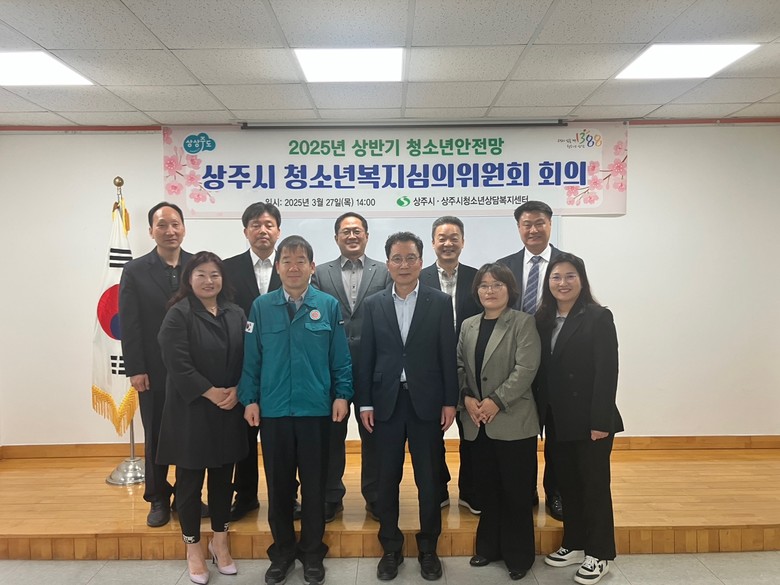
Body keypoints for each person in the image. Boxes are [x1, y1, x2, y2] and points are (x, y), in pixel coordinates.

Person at [239, 235, 353, 585]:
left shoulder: (328, 306)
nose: (293, 267)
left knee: (315, 488)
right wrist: (250, 399)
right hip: (274, 412)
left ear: (312, 267)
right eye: (286, 260)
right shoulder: (261, 306)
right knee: (279, 488)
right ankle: (283, 552)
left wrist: (342, 395)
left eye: (300, 260)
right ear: (277, 267)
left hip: (316, 411)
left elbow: (341, 358)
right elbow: (251, 359)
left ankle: (312, 553)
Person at [357, 232, 457, 582]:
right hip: (385, 402)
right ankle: (391, 548)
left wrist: (449, 401)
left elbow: (447, 354)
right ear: (388, 263)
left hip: (426, 402)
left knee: (429, 481)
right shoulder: (374, 304)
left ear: (420, 261)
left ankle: (428, 548)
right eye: (397, 259)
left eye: (410, 258)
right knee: (387, 480)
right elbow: (366, 356)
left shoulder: (439, 302)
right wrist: (365, 402)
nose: (404, 265)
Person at [157, 252, 247, 584]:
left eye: (215, 275)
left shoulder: (235, 313)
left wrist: (238, 389)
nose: (209, 281)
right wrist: (209, 392)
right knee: (190, 481)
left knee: (223, 478)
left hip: (228, 408)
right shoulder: (178, 314)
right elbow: (176, 362)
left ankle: (220, 542)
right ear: (189, 279)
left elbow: (248, 356)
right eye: (201, 275)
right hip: (192, 410)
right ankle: (193, 547)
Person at [535, 253, 623, 585]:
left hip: (590, 422)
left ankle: (600, 553)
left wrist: (601, 421)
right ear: (548, 282)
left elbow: (607, 372)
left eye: (570, 276)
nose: (563, 283)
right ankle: (574, 543)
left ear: (582, 280)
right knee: (567, 484)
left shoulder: (598, 317)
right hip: (557, 419)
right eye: (556, 277)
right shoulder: (543, 319)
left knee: (594, 486)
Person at [119, 201, 200, 527]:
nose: (170, 231)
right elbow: (130, 324)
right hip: (152, 370)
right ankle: (157, 497)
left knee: (191, 433)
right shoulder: (135, 270)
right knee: (156, 434)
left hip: (194, 369)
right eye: (162, 225)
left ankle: (187, 496)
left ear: (184, 228)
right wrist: (136, 368)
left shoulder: (198, 265)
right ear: (151, 231)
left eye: (175, 224)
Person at [458, 263, 541, 580]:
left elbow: (526, 368)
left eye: (497, 285)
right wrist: (466, 398)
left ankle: (519, 556)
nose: (489, 290)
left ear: (510, 289)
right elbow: (458, 365)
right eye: (484, 285)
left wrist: (496, 400)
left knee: (516, 492)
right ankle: (489, 547)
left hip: (512, 420)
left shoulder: (523, 322)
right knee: (487, 490)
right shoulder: (468, 325)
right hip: (476, 421)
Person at [310, 211, 391, 522]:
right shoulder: (321, 273)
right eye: (346, 231)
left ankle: (376, 495)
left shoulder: (384, 271)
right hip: (332, 368)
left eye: (358, 231)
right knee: (331, 436)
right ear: (336, 238)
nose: (352, 236)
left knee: (375, 435)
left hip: (374, 367)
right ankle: (331, 496)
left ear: (367, 236)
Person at [497, 200, 565, 521]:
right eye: (527, 224)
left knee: (556, 432)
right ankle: (525, 492)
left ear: (550, 224)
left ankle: (556, 492)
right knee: (520, 432)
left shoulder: (567, 264)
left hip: (555, 361)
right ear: (518, 228)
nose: (533, 229)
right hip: (514, 362)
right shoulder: (505, 266)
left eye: (539, 223)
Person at [223, 202, 282, 522]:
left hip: (281, 366)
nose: (263, 230)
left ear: (278, 231)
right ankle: (245, 496)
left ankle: (287, 496)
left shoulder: (291, 265)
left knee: (282, 438)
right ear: (245, 231)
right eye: (256, 225)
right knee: (243, 436)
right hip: (241, 364)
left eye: (269, 224)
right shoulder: (227, 269)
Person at [420, 216, 482, 515]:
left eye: (454, 238)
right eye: (442, 238)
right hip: (431, 370)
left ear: (463, 242)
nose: (448, 243)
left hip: (471, 368)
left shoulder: (478, 278)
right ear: (433, 243)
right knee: (432, 435)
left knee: (472, 433)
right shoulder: (418, 278)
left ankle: (471, 491)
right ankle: (439, 488)